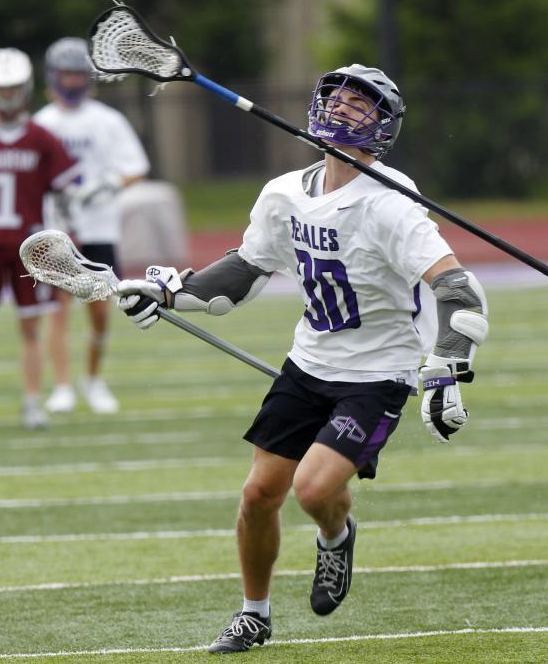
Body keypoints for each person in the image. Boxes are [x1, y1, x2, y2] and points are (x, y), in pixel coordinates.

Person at [113, 64, 488, 653]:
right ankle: (253, 615)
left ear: (383, 127)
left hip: (376, 373)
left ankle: (336, 539)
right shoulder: (284, 193)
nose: (343, 109)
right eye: (336, 98)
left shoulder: (390, 204)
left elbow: (459, 293)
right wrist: (168, 293)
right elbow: (243, 271)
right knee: (260, 494)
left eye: (360, 105)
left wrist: (446, 371)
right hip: (308, 362)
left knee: (314, 492)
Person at [35, 37, 150, 415]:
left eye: (76, 74)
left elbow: (136, 167)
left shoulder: (107, 119)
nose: (71, 82)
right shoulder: (43, 123)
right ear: (53, 77)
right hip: (57, 231)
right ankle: (63, 385)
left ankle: (93, 379)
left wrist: (109, 186)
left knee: (100, 310)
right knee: (57, 308)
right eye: (65, 74)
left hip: (100, 228)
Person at [0, 48, 80, 431]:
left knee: (31, 328)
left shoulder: (41, 138)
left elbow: (69, 189)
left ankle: (33, 402)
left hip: (30, 248)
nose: (7, 96)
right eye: (1, 89)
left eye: (13, 88)